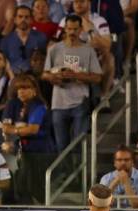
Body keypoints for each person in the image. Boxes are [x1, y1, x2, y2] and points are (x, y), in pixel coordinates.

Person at [43, 14, 102, 151]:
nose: (72, 32)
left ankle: (79, 172)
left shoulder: (88, 50)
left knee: (78, 145)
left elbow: (98, 77)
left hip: (80, 102)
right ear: (65, 29)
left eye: (75, 29)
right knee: (61, 145)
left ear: (81, 29)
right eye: (69, 29)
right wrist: (54, 77)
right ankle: (64, 172)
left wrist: (76, 75)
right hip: (58, 103)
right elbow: (45, 74)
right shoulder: (55, 49)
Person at [1, 74, 55, 204]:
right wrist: (20, 129)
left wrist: (16, 129)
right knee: (21, 185)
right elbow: (5, 128)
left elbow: (33, 129)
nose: (21, 91)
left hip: (40, 152)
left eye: (25, 88)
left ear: (34, 91)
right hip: (21, 151)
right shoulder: (13, 104)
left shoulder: (39, 106)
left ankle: (42, 209)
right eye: (19, 88)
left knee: (36, 186)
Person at [1, 6, 48, 75]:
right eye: (20, 17)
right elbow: (3, 62)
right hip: (12, 77)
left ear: (31, 20)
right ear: (15, 19)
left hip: (36, 77)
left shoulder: (41, 37)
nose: (23, 19)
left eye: (26, 17)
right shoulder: (5, 41)